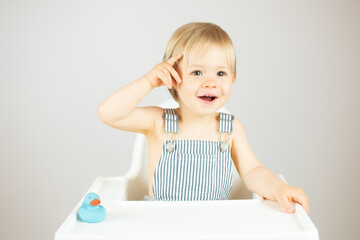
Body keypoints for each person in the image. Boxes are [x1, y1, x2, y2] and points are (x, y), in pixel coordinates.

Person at [97, 22, 309, 214]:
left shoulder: (230, 128)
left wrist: (278, 188)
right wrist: (148, 81)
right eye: (197, 72)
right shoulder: (158, 122)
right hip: (160, 224)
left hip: (213, 226)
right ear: (173, 77)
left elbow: (253, 171)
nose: (210, 82)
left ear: (232, 79)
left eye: (221, 73)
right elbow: (109, 113)